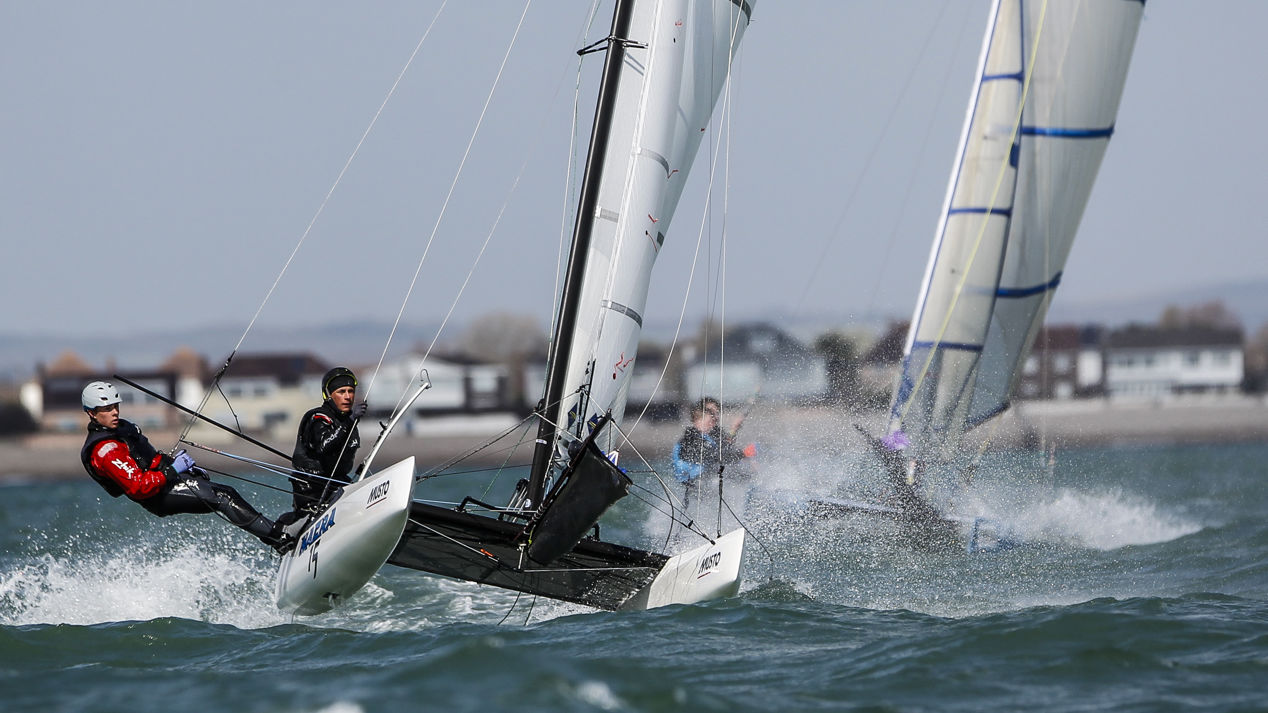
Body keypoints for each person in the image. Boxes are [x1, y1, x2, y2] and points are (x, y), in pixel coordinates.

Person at [79, 381, 291, 551]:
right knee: (224, 499)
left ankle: (275, 532)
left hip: (165, 480)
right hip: (156, 496)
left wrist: (180, 467)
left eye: (116, 406)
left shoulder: (121, 430)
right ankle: (279, 540)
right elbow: (139, 487)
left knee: (227, 491)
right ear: (91, 413)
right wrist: (174, 470)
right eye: (107, 409)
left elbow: (150, 460)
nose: (115, 412)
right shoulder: (105, 450)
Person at [279, 366, 367, 527]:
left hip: (337, 489)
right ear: (329, 395)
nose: (347, 397)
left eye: (350, 391)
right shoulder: (318, 417)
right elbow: (325, 446)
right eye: (341, 392)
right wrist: (351, 420)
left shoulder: (346, 421)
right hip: (312, 497)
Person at [671, 397, 756, 509]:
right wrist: (743, 454)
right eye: (711, 417)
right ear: (697, 419)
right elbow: (717, 456)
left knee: (743, 475)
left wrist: (734, 429)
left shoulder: (710, 434)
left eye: (716, 416)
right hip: (694, 485)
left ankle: (754, 494)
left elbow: (725, 448)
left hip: (707, 477)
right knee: (724, 478)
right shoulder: (691, 438)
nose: (714, 421)